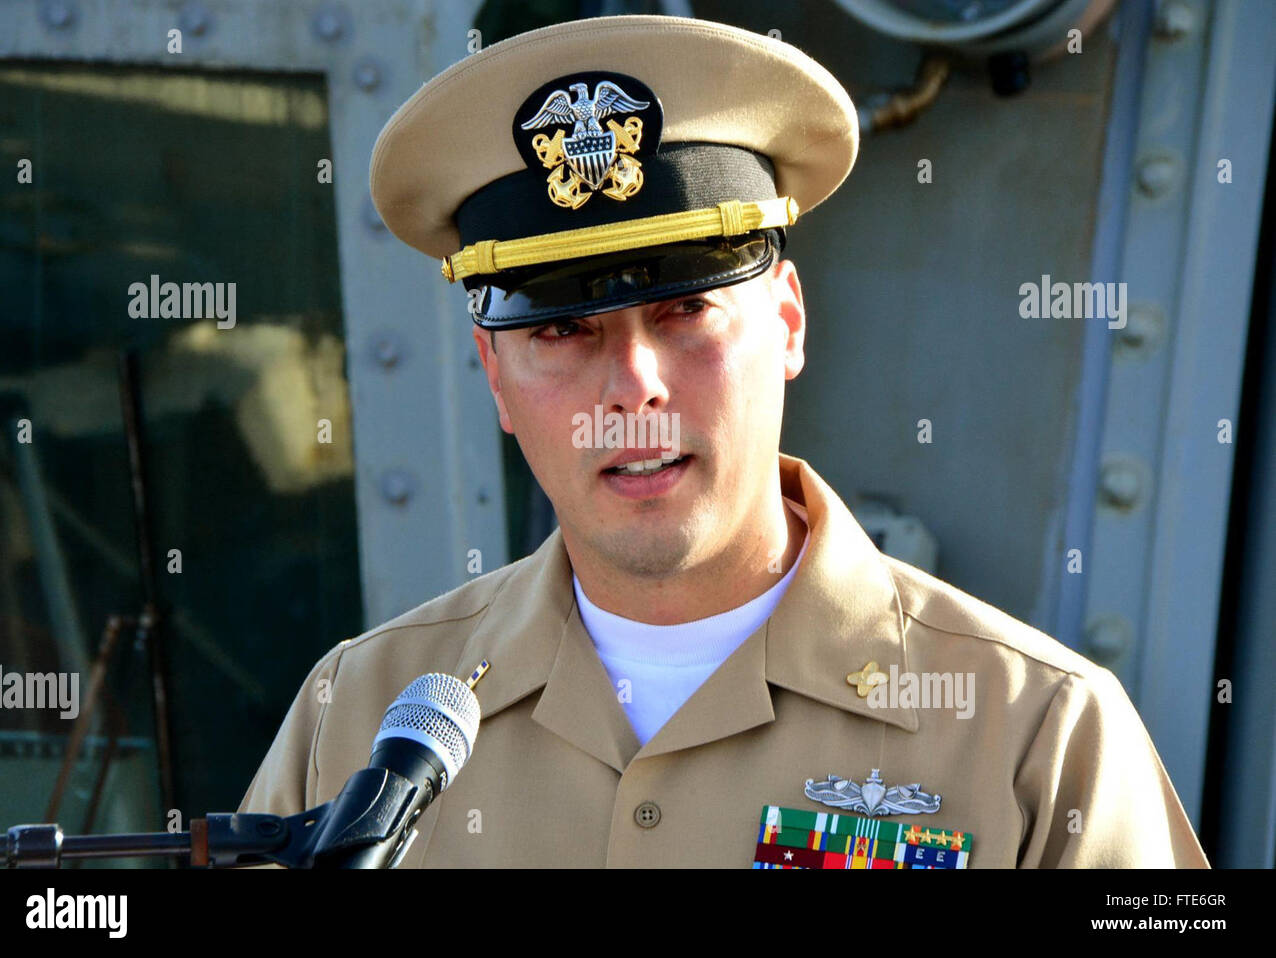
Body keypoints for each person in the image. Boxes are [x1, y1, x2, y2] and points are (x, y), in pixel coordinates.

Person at [239, 14, 1208, 868]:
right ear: (495, 377)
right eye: (561, 331)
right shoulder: (355, 718)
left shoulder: (1036, 736)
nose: (634, 387)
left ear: (786, 323)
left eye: (684, 310)